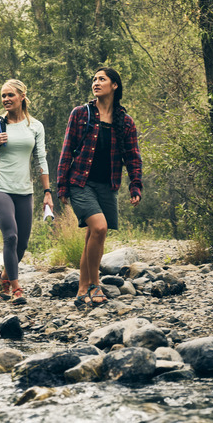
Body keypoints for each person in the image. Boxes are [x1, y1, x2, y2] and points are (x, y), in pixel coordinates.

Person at [57, 67, 142, 309]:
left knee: (92, 235)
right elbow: (67, 149)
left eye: (102, 79)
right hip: (80, 183)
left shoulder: (125, 121)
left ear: (114, 85)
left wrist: (135, 184)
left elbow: (133, 156)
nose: (96, 82)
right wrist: (62, 184)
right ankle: (94, 284)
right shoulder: (80, 114)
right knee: (100, 228)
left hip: (108, 185)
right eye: (94, 79)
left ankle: (82, 289)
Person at [0, 79, 52, 305]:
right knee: (10, 236)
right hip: (0, 187)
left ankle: (3, 278)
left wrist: (47, 191)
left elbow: (40, 159)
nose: (6, 99)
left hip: (25, 189)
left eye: (10, 95)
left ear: (22, 96)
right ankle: (16, 287)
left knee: (22, 244)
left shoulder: (35, 126)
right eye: (3, 96)